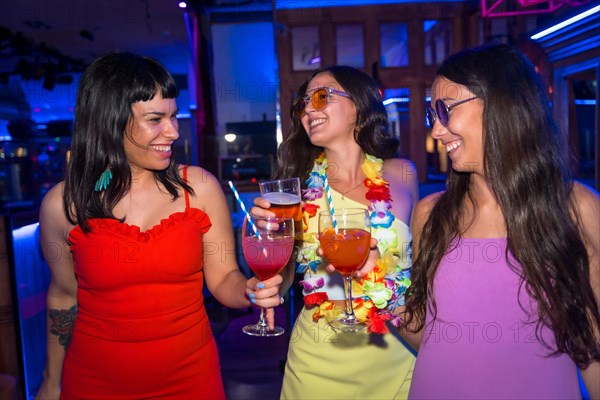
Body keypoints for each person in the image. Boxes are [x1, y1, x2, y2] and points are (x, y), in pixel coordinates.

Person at [35, 52, 283, 399]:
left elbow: (224, 278)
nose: (173, 130)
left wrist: (249, 290)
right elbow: (63, 296)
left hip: (190, 379)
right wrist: (50, 380)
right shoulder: (64, 205)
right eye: (155, 119)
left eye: (173, 116)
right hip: (95, 383)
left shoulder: (198, 189)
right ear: (111, 121)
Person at [404, 43, 600, 399]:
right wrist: (374, 288)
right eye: (433, 115)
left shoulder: (576, 209)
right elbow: (422, 334)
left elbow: (593, 346)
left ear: (501, 106)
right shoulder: (430, 214)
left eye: (445, 110)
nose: (436, 131)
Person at [254, 65, 419, 399]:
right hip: (320, 358)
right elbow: (285, 276)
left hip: (397, 351)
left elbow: (422, 264)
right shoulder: (294, 190)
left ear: (358, 104)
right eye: (303, 105)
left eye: (320, 97)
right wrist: (268, 276)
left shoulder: (402, 173)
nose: (308, 110)